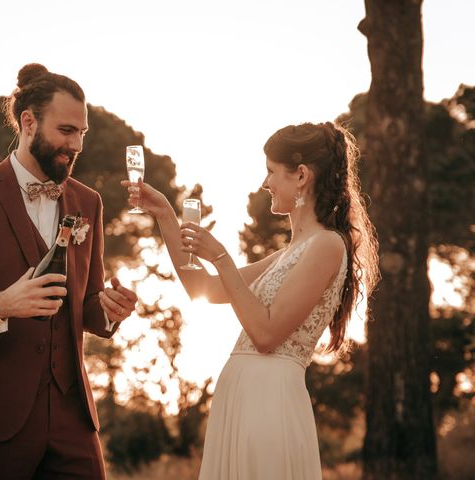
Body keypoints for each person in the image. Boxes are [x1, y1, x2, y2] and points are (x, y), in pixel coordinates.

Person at [0, 63, 137, 479]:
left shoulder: (89, 203)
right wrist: (1, 305)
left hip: (73, 421)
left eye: (82, 133)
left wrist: (109, 309)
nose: (77, 145)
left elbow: (86, 304)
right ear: (28, 122)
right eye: (66, 131)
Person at [123, 122, 379, 479]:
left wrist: (222, 256)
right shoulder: (290, 252)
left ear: (301, 175)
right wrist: (165, 213)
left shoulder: (327, 245)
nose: (265, 183)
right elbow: (205, 288)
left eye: (272, 172)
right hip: (242, 399)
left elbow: (266, 334)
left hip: (270, 403)